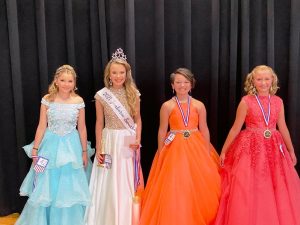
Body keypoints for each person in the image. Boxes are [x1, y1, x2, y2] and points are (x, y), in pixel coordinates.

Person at [215, 65, 300, 225]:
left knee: (275, 184)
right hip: (250, 146)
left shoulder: (278, 101)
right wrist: (224, 150)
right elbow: (235, 128)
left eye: (267, 79)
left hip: (274, 146)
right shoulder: (246, 101)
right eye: (259, 79)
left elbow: (282, 127)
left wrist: (291, 150)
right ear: (253, 81)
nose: (263, 82)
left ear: (272, 80)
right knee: (250, 183)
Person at [139, 68, 221, 225]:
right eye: (178, 82)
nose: (182, 85)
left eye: (185, 82)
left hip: (196, 145)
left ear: (191, 85)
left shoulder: (198, 105)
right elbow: (162, 130)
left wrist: (206, 150)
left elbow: (204, 128)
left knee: (200, 182)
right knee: (176, 183)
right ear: (172, 85)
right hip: (174, 148)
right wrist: (162, 151)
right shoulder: (167, 106)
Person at [15, 65, 94, 225]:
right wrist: (35, 149)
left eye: (70, 81)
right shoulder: (47, 99)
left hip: (72, 147)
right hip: (50, 145)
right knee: (47, 182)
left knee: (69, 182)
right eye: (63, 80)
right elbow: (41, 126)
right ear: (56, 81)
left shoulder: (78, 101)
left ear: (74, 83)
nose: (66, 84)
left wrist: (84, 151)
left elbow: (82, 127)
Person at [84, 48, 143, 225]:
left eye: (121, 72)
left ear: (127, 73)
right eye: (114, 73)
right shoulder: (102, 95)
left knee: (126, 177)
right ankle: (108, 216)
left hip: (127, 140)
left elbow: (138, 119)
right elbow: (99, 123)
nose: (118, 76)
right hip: (109, 140)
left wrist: (138, 138)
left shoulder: (134, 93)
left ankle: (127, 216)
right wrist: (100, 146)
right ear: (109, 74)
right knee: (108, 177)